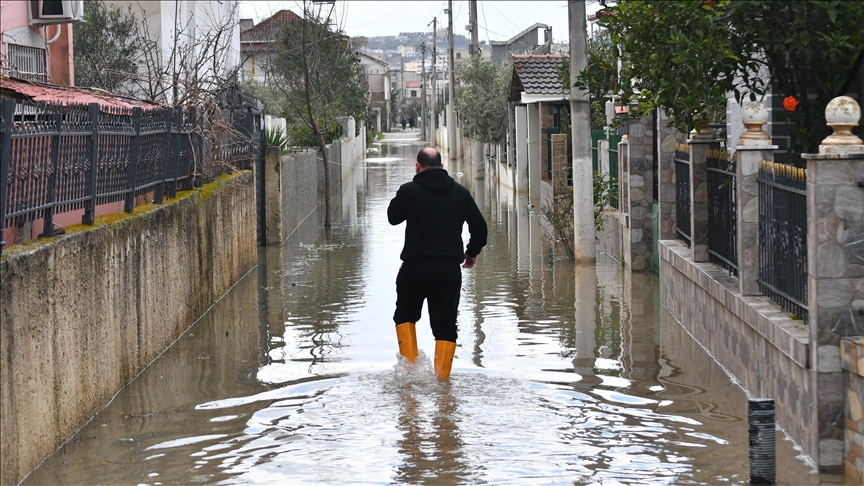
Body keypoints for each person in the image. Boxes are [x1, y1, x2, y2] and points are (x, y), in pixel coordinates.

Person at [387, 147, 487, 379]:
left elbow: (393, 218)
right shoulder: (460, 193)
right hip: (448, 271)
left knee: (405, 316)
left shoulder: (409, 191)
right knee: (445, 327)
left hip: (414, 269)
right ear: (442, 167)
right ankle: (442, 386)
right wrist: (471, 253)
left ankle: (410, 375)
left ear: (417, 166)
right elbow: (480, 228)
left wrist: (409, 189)